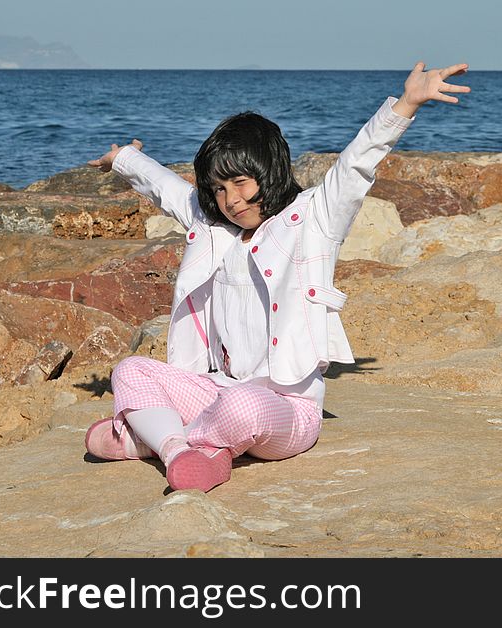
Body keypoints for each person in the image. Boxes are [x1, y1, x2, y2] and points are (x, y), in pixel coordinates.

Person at [83, 62, 470, 493]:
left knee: (243, 406)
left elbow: (354, 167)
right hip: (215, 389)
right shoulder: (215, 228)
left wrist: (407, 103)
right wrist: (123, 159)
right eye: (219, 190)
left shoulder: (311, 221)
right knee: (132, 370)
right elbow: (168, 190)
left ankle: (145, 440)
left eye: (241, 183)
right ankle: (180, 452)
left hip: (286, 409)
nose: (231, 201)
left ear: (268, 171)